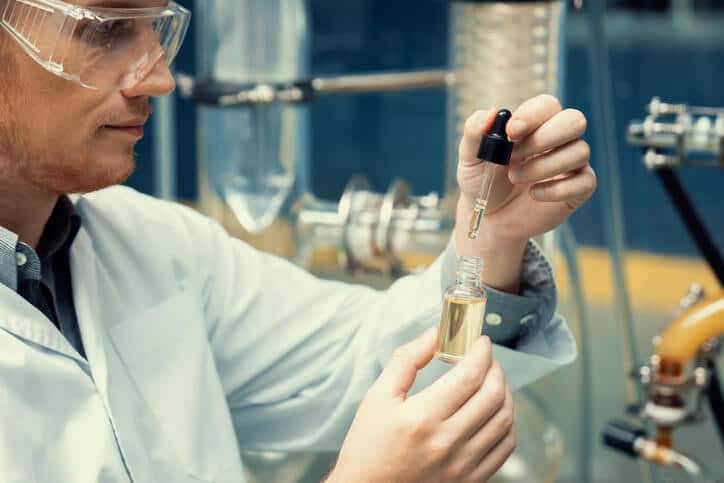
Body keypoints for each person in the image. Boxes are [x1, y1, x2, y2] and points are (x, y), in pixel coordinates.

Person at [0, 0, 596, 481]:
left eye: (156, 29)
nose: (159, 79)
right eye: (105, 31)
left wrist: (488, 238)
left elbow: (396, 370)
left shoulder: (153, 249)